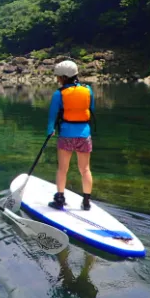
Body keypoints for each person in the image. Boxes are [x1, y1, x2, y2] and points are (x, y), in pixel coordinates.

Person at [46, 60, 95, 211]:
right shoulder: (88, 90)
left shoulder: (59, 93)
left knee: (62, 169)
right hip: (84, 134)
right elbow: (90, 108)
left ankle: (60, 198)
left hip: (66, 135)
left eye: (58, 76)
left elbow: (52, 116)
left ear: (64, 77)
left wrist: (50, 130)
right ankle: (86, 202)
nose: (57, 79)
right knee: (85, 169)